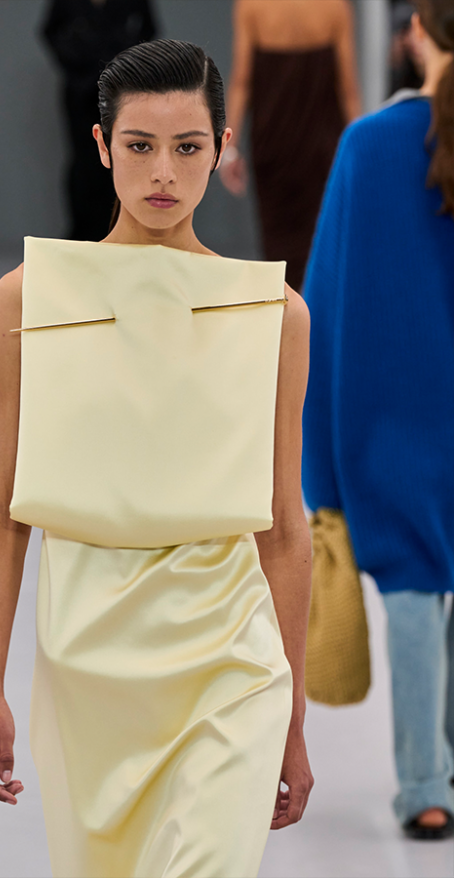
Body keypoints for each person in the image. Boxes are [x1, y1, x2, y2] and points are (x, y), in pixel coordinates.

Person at [0, 38, 313, 878]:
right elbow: (5, 510)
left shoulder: (272, 314)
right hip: (87, 666)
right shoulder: (28, 300)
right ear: (101, 146)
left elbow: (282, 525)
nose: (163, 172)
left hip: (231, 660)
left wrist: (293, 715)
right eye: (139, 145)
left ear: (220, 148)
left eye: (188, 147)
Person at [302, 0, 454, 841]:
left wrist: (315, 462)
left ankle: (425, 786)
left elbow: (325, 301)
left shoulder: (368, 145)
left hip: (392, 411)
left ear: (416, 34)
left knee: (411, 586)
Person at [220, 0, 361, 290]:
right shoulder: (335, 7)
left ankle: (285, 315)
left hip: (272, 144)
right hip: (323, 147)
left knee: (278, 252)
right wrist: (359, 153)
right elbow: (347, 88)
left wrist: (229, 148)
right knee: (323, 244)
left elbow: (242, 81)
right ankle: (316, 316)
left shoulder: (251, 6)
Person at [41, 0, 156, 242]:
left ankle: (117, 227)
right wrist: (74, 59)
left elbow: (150, 29)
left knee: (122, 156)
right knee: (83, 160)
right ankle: (83, 231)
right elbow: (49, 31)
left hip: (122, 88)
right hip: (80, 89)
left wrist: (128, 58)